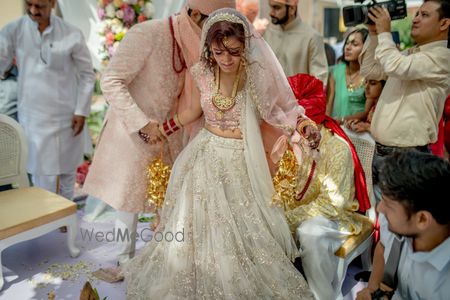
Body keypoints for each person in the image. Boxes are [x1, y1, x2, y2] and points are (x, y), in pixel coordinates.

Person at [124, 9, 321, 299]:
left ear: (245, 47)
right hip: (204, 154)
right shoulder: (201, 73)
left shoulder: (254, 73)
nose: (226, 59)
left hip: (241, 159)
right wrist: (162, 130)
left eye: (234, 52)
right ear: (209, 49)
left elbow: (279, 107)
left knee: (243, 234)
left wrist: (301, 123)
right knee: (194, 230)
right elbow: (191, 112)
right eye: (219, 52)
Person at [82, 0, 236, 271]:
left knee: (169, 203)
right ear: (195, 14)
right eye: (211, 26)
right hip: (133, 133)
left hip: (169, 135)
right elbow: (111, 80)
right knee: (128, 203)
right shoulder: (147, 34)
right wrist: (142, 124)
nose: (216, 35)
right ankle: (124, 263)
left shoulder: (198, 45)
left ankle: (162, 263)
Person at [273, 73, 371, 300]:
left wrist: (287, 220)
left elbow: (332, 205)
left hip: (333, 218)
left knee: (311, 233)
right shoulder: (282, 144)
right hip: (290, 213)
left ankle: (321, 295)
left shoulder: (336, 148)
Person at [0, 0, 95, 201]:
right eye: (30, 4)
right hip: (34, 116)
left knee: (68, 170)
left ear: (52, 3)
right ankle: (47, 216)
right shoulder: (13, 30)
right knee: (40, 171)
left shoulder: (71, 33)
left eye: (40, 6)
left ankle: (65, 216)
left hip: (68, 115)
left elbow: (87, 74)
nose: (34, 11)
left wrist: (81, 110)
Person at [360, 0, 450, 158]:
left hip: (409, 154)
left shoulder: (444, 57)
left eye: (424, 15)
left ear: (443, 24)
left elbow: (395, 66)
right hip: (380, 150)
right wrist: (374, 34)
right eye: (417, 14)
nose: (415, 19)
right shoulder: (409, 54)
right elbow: (370, 70)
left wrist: (384, 33)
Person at [356, 150, 450, 300]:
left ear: (422, 219)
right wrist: (373, 291)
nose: (380, 209)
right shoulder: (397, 222)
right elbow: (383, 247)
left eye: (388, 204)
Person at [263, 0, 328, 84]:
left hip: (298, 97)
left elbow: (319, 78)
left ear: (292, 9)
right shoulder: (267, 33)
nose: (271, 13)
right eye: (271, 7)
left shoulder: (311, 37)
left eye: (276, 7)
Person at [327, 28, 369, 124]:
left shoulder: (370, 75)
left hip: (359, 132)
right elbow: (328, 106)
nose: (348, 47)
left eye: (355, 44)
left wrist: (342, 120)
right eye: (347, 43)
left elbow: (368, 111)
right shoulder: (335, 72)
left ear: (367, 48)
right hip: (336, 130)